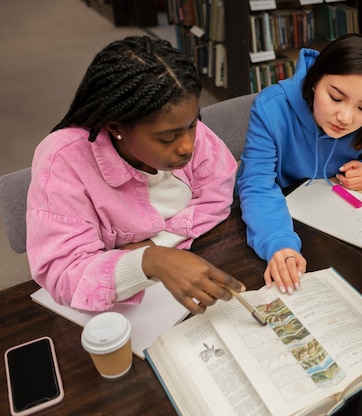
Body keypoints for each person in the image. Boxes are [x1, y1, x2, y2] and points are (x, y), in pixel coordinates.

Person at [27, 36, 244, 313]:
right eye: (167, 138)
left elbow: (217, 192)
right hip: (116, 314)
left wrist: (157, 245)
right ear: (116, 127)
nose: (189, 145)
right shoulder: (63, 161)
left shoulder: (185, 129)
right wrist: (150, 260)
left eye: (192, 124)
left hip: (185, 270)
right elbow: (63, 272)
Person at [236, 34, 362, 294]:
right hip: (277, 216)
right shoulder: (271, 109)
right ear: (315, 82)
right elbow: (257, 185)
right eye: (336, 98)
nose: (345, 118)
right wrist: (279, 243)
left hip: (338, 230)